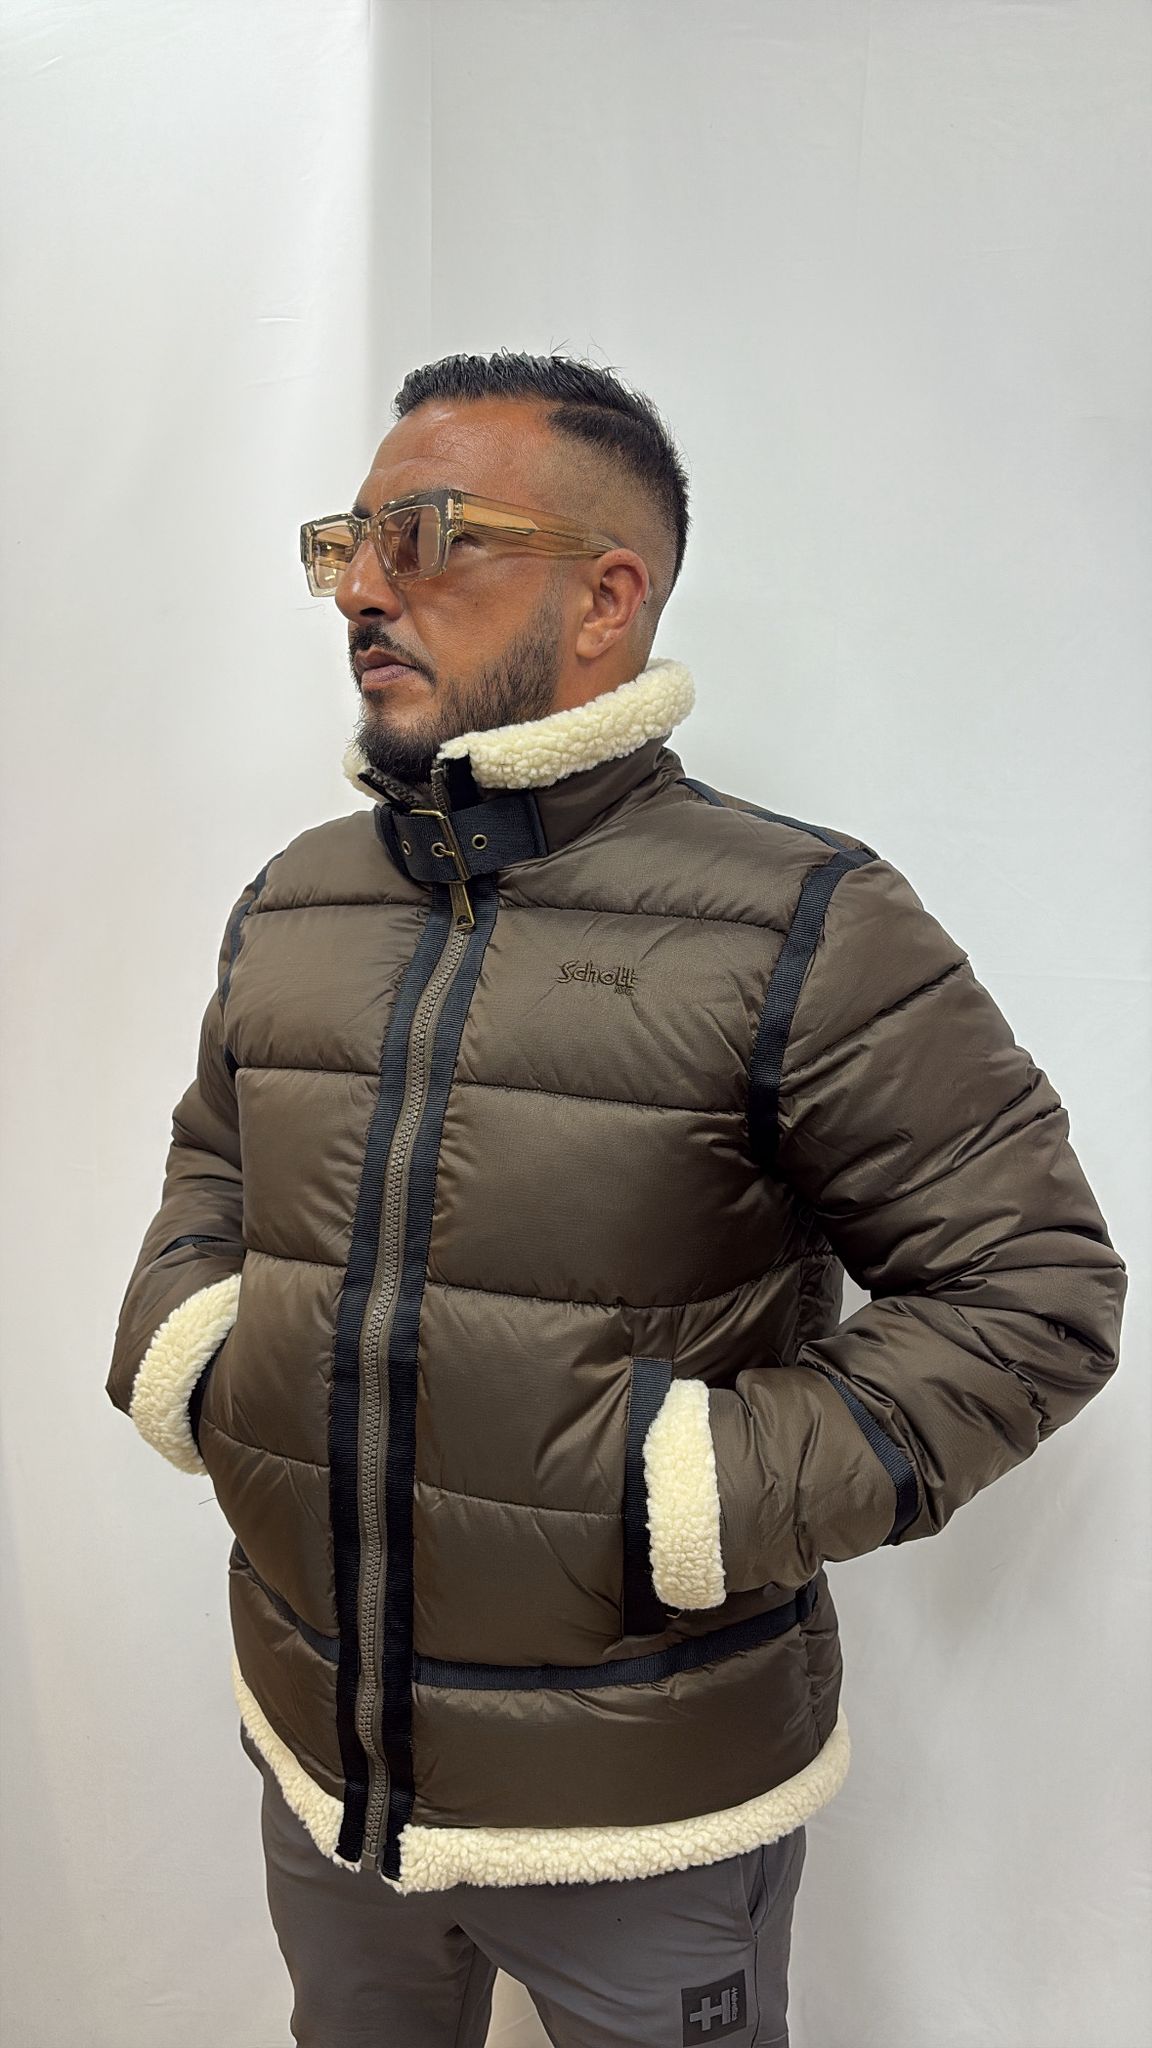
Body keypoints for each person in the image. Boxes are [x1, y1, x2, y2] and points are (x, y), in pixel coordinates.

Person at [106, 350, 1128, 2048]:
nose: (361, 590)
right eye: (347, 544)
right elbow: (214, 1168)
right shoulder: (298, 900)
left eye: (428, 536)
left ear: (606, 596)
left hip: (647, 1810)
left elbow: (1033, 1291)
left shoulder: (805, 921)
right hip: (322, 1764)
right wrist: (195, 1351)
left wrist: (694, 1492)